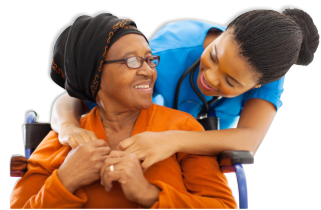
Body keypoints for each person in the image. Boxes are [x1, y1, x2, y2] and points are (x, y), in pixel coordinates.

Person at [10, 13, 237, 209]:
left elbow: (222, 206)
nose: (148, 71)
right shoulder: (64, 139)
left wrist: (147, 194)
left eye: (150, 60)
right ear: (95, 74)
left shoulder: (182, 128)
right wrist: (65, 180)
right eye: (132, 61)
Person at [51, 8, 319, 171]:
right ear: (223, 32)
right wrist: (69, 128)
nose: (211, 78)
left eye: (231, 82)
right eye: (213, 56)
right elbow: (72, 99)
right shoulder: (166, 53)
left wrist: (172, 140)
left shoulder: (266, 75)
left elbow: (248, 140)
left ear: (257, 84)